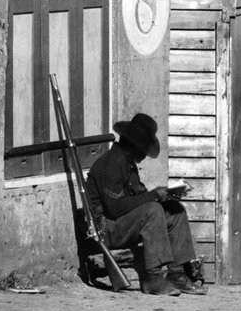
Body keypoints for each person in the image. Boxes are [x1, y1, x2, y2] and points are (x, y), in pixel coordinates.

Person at [85, 113, 206, 296]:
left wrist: (163, 197)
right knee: (152, 210)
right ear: (134, 146)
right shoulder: (112, 163)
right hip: (106, 228)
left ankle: (177, 274)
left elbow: (137, 199)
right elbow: (115, 209)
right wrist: (153, 196)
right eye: (143, 149)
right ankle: (153, 278)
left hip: (121, 223)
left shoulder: (127, 163)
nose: (145, 154)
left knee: (175, 212)